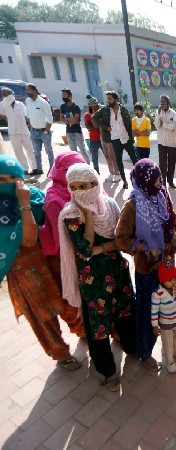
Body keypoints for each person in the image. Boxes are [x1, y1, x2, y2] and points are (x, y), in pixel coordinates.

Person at [1, 155, 84, 371]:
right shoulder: (13, 205)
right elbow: (28, 238)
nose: (10, 183)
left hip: (50, 259)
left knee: (68, 301)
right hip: (25, 271)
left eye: (14, 177)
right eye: (2, 180)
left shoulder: (37, 195)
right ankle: (61, 353)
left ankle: (83, 332)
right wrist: (23, 202)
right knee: (43, 316)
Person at [59, 163, 136, 390]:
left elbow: (121, 240)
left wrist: (103, 248)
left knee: (125, 311)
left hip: (116, 271)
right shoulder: (71, 214)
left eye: (85, 185)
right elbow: (83, 251)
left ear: (95, 183)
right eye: (74, 187)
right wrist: (89, 219)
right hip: (93, 280)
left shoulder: (110, 205)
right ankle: (108, 371)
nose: (80, 191)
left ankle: (131, 347)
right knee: (98, 324)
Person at [116, 159, 176, 371]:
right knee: (148, 311)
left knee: (168, 306)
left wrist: (170, 246)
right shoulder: (133, 205)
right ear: (145, 181)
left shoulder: (160, 197)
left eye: (160, 179)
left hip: (165, 264)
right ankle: (145, 352)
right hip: (147, 269)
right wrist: (141, 247)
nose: (160, 183)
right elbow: (120, 238)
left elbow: (171, 224)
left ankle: (170, 348)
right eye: (156, 179)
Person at [39, 150, 86, 285]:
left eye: (81, 169)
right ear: (61, 172)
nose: (78, 175)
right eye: (71, 170)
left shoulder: (93, 188)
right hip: (73, 257)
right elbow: (63, 238)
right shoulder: (54, 200)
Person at [93, 91, 138, 189]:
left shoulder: (124, 110)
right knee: (119, 160)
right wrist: (105, 127)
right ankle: (124, 181)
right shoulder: (105, 110)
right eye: (107, 99)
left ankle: (138, 179)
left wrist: (131, 138)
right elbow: (94, 117)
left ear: (115, 99)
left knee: (134, 159)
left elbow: (129, 125)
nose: (108, 101)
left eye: (110, 99)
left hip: (125, 138)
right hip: (114, 139)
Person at [151, 259, 176, 373]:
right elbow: (154, 311)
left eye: (174, 278)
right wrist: (155, 326)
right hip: (166, 324)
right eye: (169, 280)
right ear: (162, 280)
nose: (173, 282)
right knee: (167, 344)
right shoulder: (157, 293)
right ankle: (169, 361)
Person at [0, 87, 35, 174]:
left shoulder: (20, 104)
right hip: (13, 132)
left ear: (11, 94)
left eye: (6, 94)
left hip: (24, 131)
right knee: (18, 151)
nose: (5, 96)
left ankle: (34, 167)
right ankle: (24, 169)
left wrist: (29, 126)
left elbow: (27, 116)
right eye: (3, 94)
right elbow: (2, 115)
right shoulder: (2, 104)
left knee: (30, 149)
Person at [86, 94, 120, 183]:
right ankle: (112, 173)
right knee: (107, 156)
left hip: (112, 137)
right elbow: (95, 120)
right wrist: (104, 126)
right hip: (103, 136)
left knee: (112, 156)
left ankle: (117, 174)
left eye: (94, 105)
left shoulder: (108, 109)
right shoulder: (101, 110)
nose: (93, 107)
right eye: (107, 99)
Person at [25, 83, 53, 175]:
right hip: (34, 131)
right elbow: (28, 115)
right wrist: (30, 127)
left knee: (48, 151)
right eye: (27, 90)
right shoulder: (28, 101)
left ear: (35, 91)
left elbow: (50, 119)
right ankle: (39, 169)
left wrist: (46, 131)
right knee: (36, 152)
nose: (27, 92)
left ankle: (52, 170)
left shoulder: (43, 103)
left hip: (44, 131)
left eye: (29, 90)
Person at [60, 88, 91, 164]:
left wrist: (66, 119)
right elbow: (61, 119)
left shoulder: (76, 107)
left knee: (83, 150)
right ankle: (76, 167)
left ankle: (87, 165)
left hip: (77, 132)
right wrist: (70, 120)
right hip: (69, 132)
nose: (63, 97)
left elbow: (76, 120)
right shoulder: (62, 107)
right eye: (62, 95)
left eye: (64, 95)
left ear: (70, 96)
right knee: (73, 152)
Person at [156, 95, 176, 188]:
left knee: (172, 163)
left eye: (164, 102)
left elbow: (173, 126)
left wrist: (163, 124)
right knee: (162, 164)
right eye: (161, 102)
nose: (162, 104)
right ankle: (163, 184)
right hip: (161, 142)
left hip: (171, 143)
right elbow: (157, 125)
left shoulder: (173, 113)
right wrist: (158, 115)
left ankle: (171, 182)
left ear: (168, 103)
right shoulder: (158, 112)